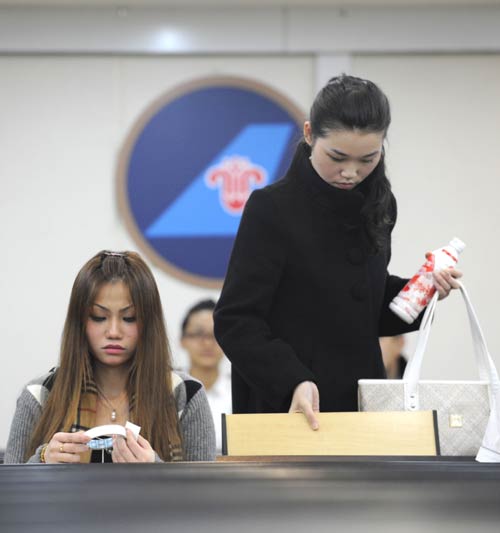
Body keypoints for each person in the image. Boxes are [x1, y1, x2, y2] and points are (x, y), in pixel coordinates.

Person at [213, 74, 462, 430]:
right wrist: (292, 380)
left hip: (358, 404)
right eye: (338, 157)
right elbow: (235, 321)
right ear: (310, 133)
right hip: (287, 406)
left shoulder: (380, 205)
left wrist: (424, 290)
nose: (351, 172)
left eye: (368, 159)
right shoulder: (272, 209)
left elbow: (365, 306)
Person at [5, 250, 216, 464]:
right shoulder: (40, 394)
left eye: (129, 318)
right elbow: (8, 493)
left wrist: (155, 469)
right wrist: (42, 459)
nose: (114, 331)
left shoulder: (185, 394)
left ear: (149, 324)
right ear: (79, 322)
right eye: (99, 317)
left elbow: (205, 495)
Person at [181, 299, 232, 454]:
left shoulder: (238, 394)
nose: (208, 343)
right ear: (182, 341)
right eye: (198, 334)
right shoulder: (169, 389)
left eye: (215, 334)